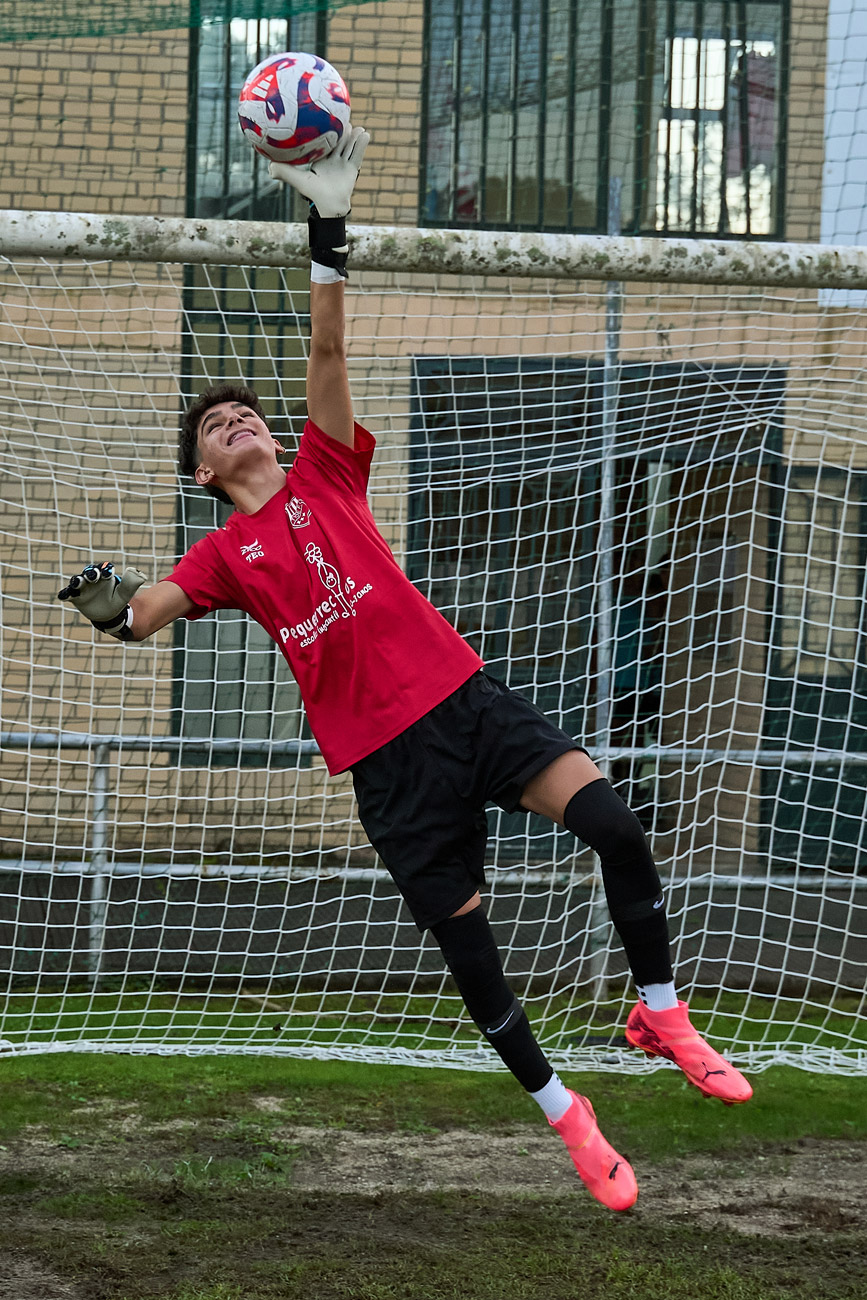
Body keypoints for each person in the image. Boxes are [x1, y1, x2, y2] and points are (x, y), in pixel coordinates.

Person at [57, 125, 751, 1214]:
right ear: (202, 472)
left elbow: (328, 357)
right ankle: (570, 1118)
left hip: (464, 701)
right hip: (387, 765)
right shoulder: (222, 554)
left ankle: (660, 1011)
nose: (235, 421)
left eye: (244, 413)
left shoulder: (325, 476)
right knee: (473, 956)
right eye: (215, 426)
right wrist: (107, 605)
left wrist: (328, 223)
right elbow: (143, 615)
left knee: (616, 825)